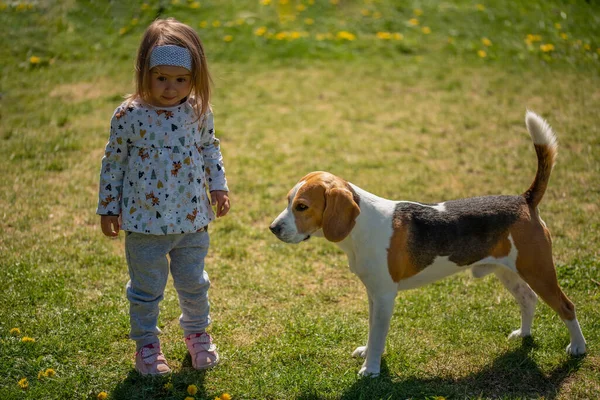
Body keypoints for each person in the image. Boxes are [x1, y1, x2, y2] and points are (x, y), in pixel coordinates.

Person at [96, 18, 230, 376]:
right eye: (161, 78)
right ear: (144, 72)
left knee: (194, 283)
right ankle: (146, 345)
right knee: (145, 288)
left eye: (181, 80)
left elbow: (209, 150)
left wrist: (218, 186)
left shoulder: (197, 111)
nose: (171, 88)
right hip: (144, 224)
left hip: (191, 220)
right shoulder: (130, 115)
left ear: (194, 77)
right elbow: (114, 161)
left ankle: (198, 335)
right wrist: (108, 207)